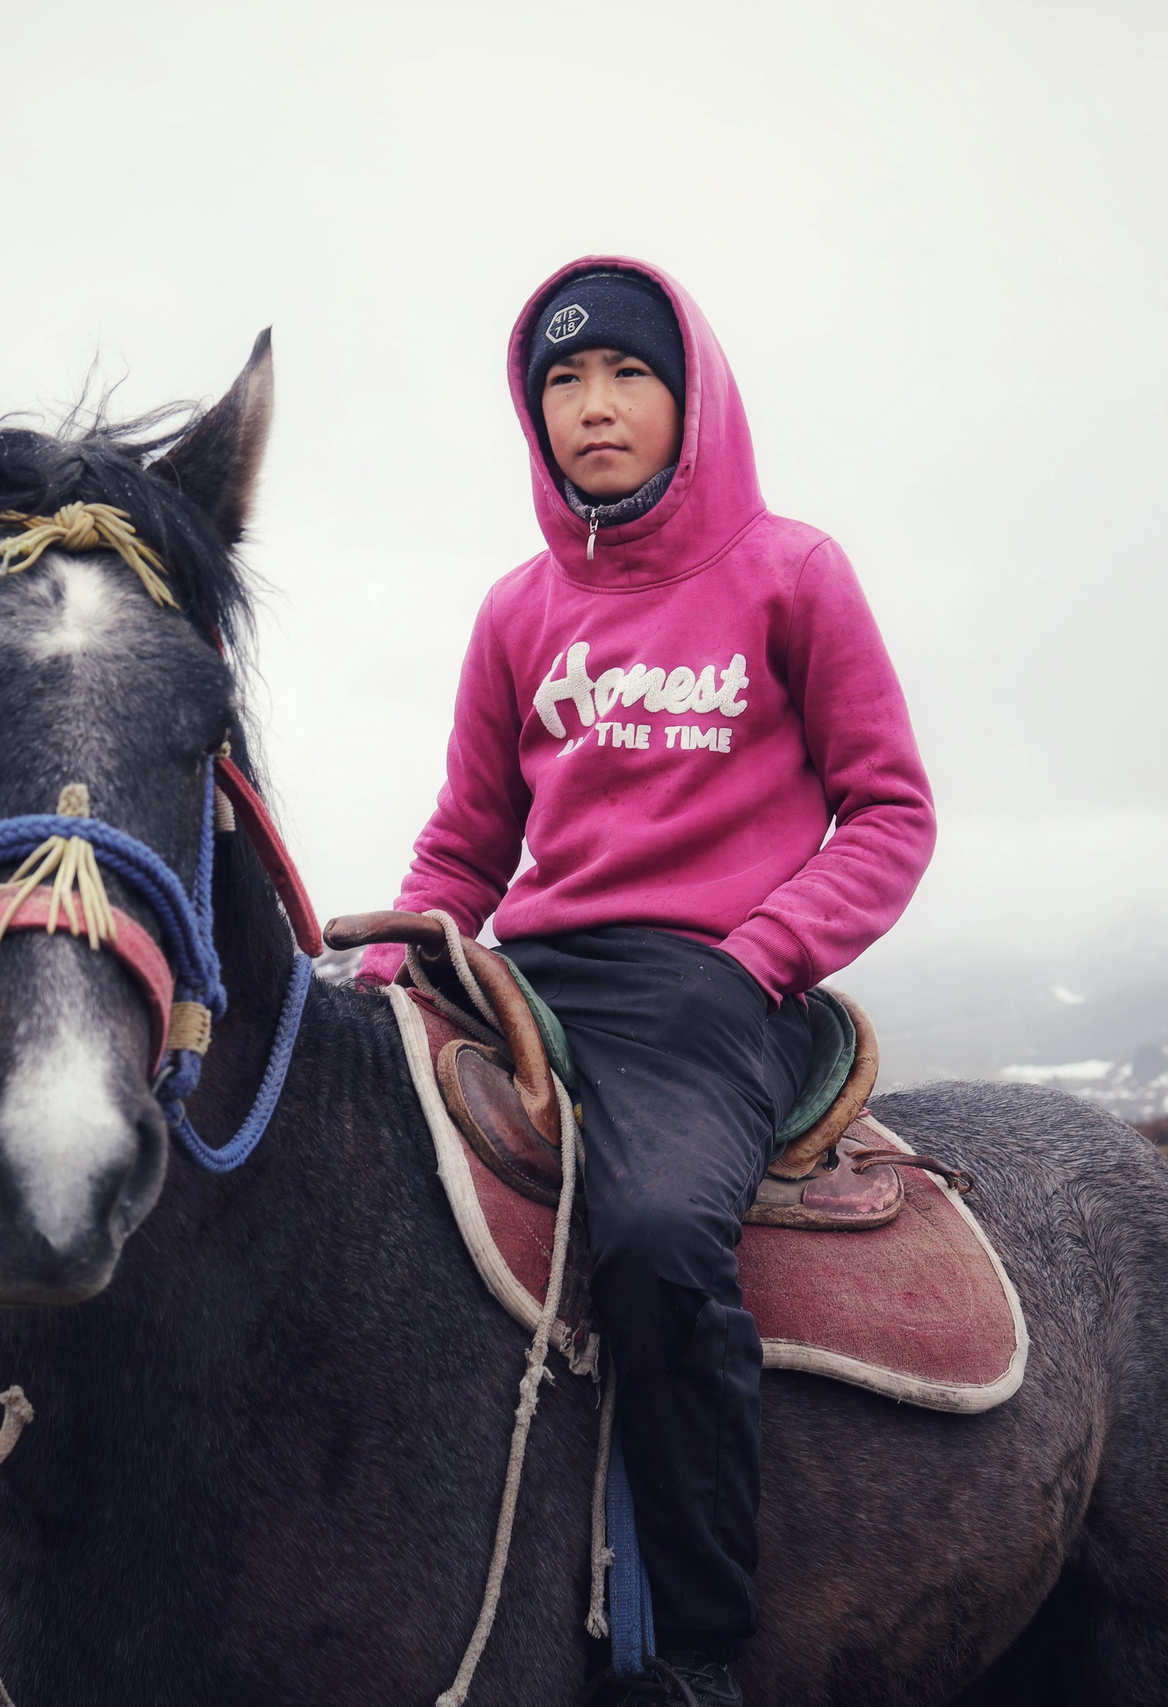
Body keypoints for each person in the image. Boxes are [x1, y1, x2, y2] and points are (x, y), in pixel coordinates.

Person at [363, 258, 936, 1705]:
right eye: (562, 382)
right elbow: (467, 846)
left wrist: (759, 960)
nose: (595, 407)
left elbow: (889, 813)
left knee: (659, 1240)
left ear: (691, 397)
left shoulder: (793, 574)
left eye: (627, 374)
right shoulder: (516, 611)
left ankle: (695, 1644)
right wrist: (378, 971)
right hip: (529, 978)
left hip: (713, 989)